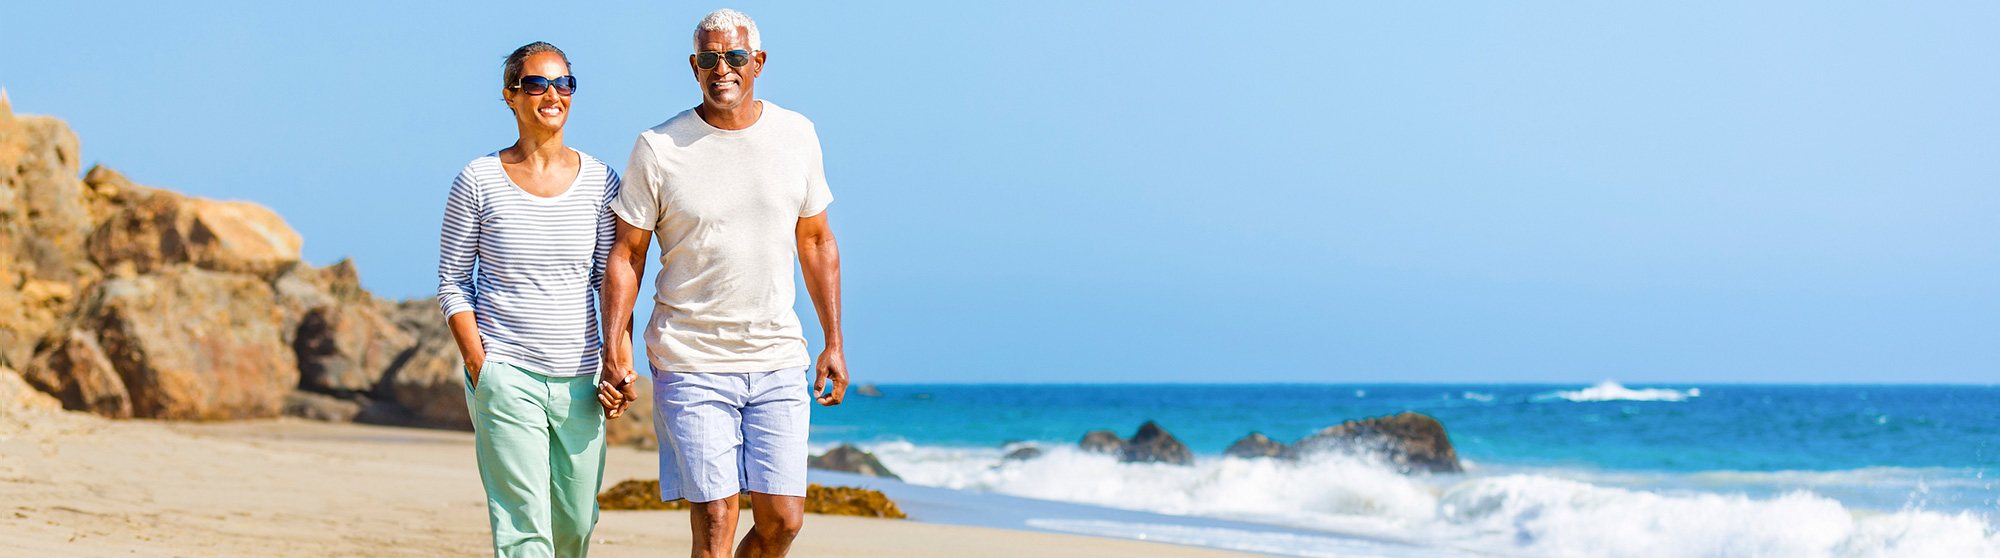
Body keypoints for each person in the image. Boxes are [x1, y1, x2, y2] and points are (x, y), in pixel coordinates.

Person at [596, 9, 848, 558]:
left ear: (757, 62)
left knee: (783, 520)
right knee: (715, 520)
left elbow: (817, 241)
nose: (722, 69)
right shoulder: (658, 147)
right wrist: (615, 345)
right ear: (694, 66)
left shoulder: (796, 135)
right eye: (709, 58)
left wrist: (833, 341)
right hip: (690, 357)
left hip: (779, 355)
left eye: (734, 57)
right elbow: (627, 252)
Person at [436, 41, 623, 558]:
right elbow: (453, 281)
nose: (552, 94)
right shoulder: (477, 180)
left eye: (563, 83)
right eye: (536, 84)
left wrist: (616, 357)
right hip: (506, 373)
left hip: (581, 379)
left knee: (576, 525)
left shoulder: (601, 182)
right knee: (524, 529)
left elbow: (611, 280)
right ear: (510, 96)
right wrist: (480, 363)